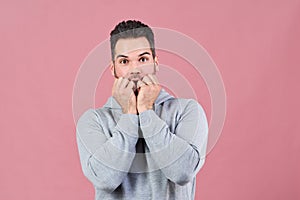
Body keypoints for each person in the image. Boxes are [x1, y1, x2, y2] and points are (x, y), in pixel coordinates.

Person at [76, 20, 208, 200]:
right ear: (113, 69)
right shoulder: (93, 120)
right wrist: (130, 114)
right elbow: (105, 179)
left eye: (143, 59)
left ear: (155, 63)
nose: (135, 70)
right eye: (124, 61)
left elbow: (182, 173)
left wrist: (146, 111)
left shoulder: (187, 111)